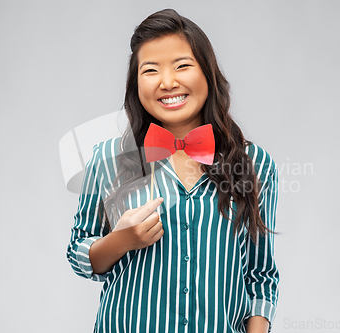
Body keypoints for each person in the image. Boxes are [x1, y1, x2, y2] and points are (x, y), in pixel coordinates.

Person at [67, 9, 279, 333]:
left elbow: (260, 275)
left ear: (207, 73)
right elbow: (79, 251)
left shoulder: (255, 164)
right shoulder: (108, 159)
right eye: (151, 70)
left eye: (182, 66)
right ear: (136, 83)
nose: (168, 82)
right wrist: (120, 241)